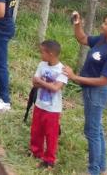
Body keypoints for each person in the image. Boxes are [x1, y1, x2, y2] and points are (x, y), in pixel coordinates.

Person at [64, 12, 107, 175]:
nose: (102, 25)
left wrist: (74, 77)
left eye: (106, 24)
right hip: (90, 92)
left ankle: (93, 170)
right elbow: (83, 39)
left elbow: (103, 81)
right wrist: (77, 24)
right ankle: (102, 169)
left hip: (97, 93)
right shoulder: (101, 40)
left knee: (92, 132)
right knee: (97, 130)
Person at [29, 40, 67, 169]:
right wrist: (46, 84)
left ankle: (49, 159)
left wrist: (41, 81)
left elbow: (56, 88)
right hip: (39, 104)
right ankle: (36, 151)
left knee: (51, 134)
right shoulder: (42, 65)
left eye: (42, 52)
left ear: (50, 53)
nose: (41, 55)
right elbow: (34, 83)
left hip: (53, 108)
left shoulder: (63, 70)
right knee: (36, 130)